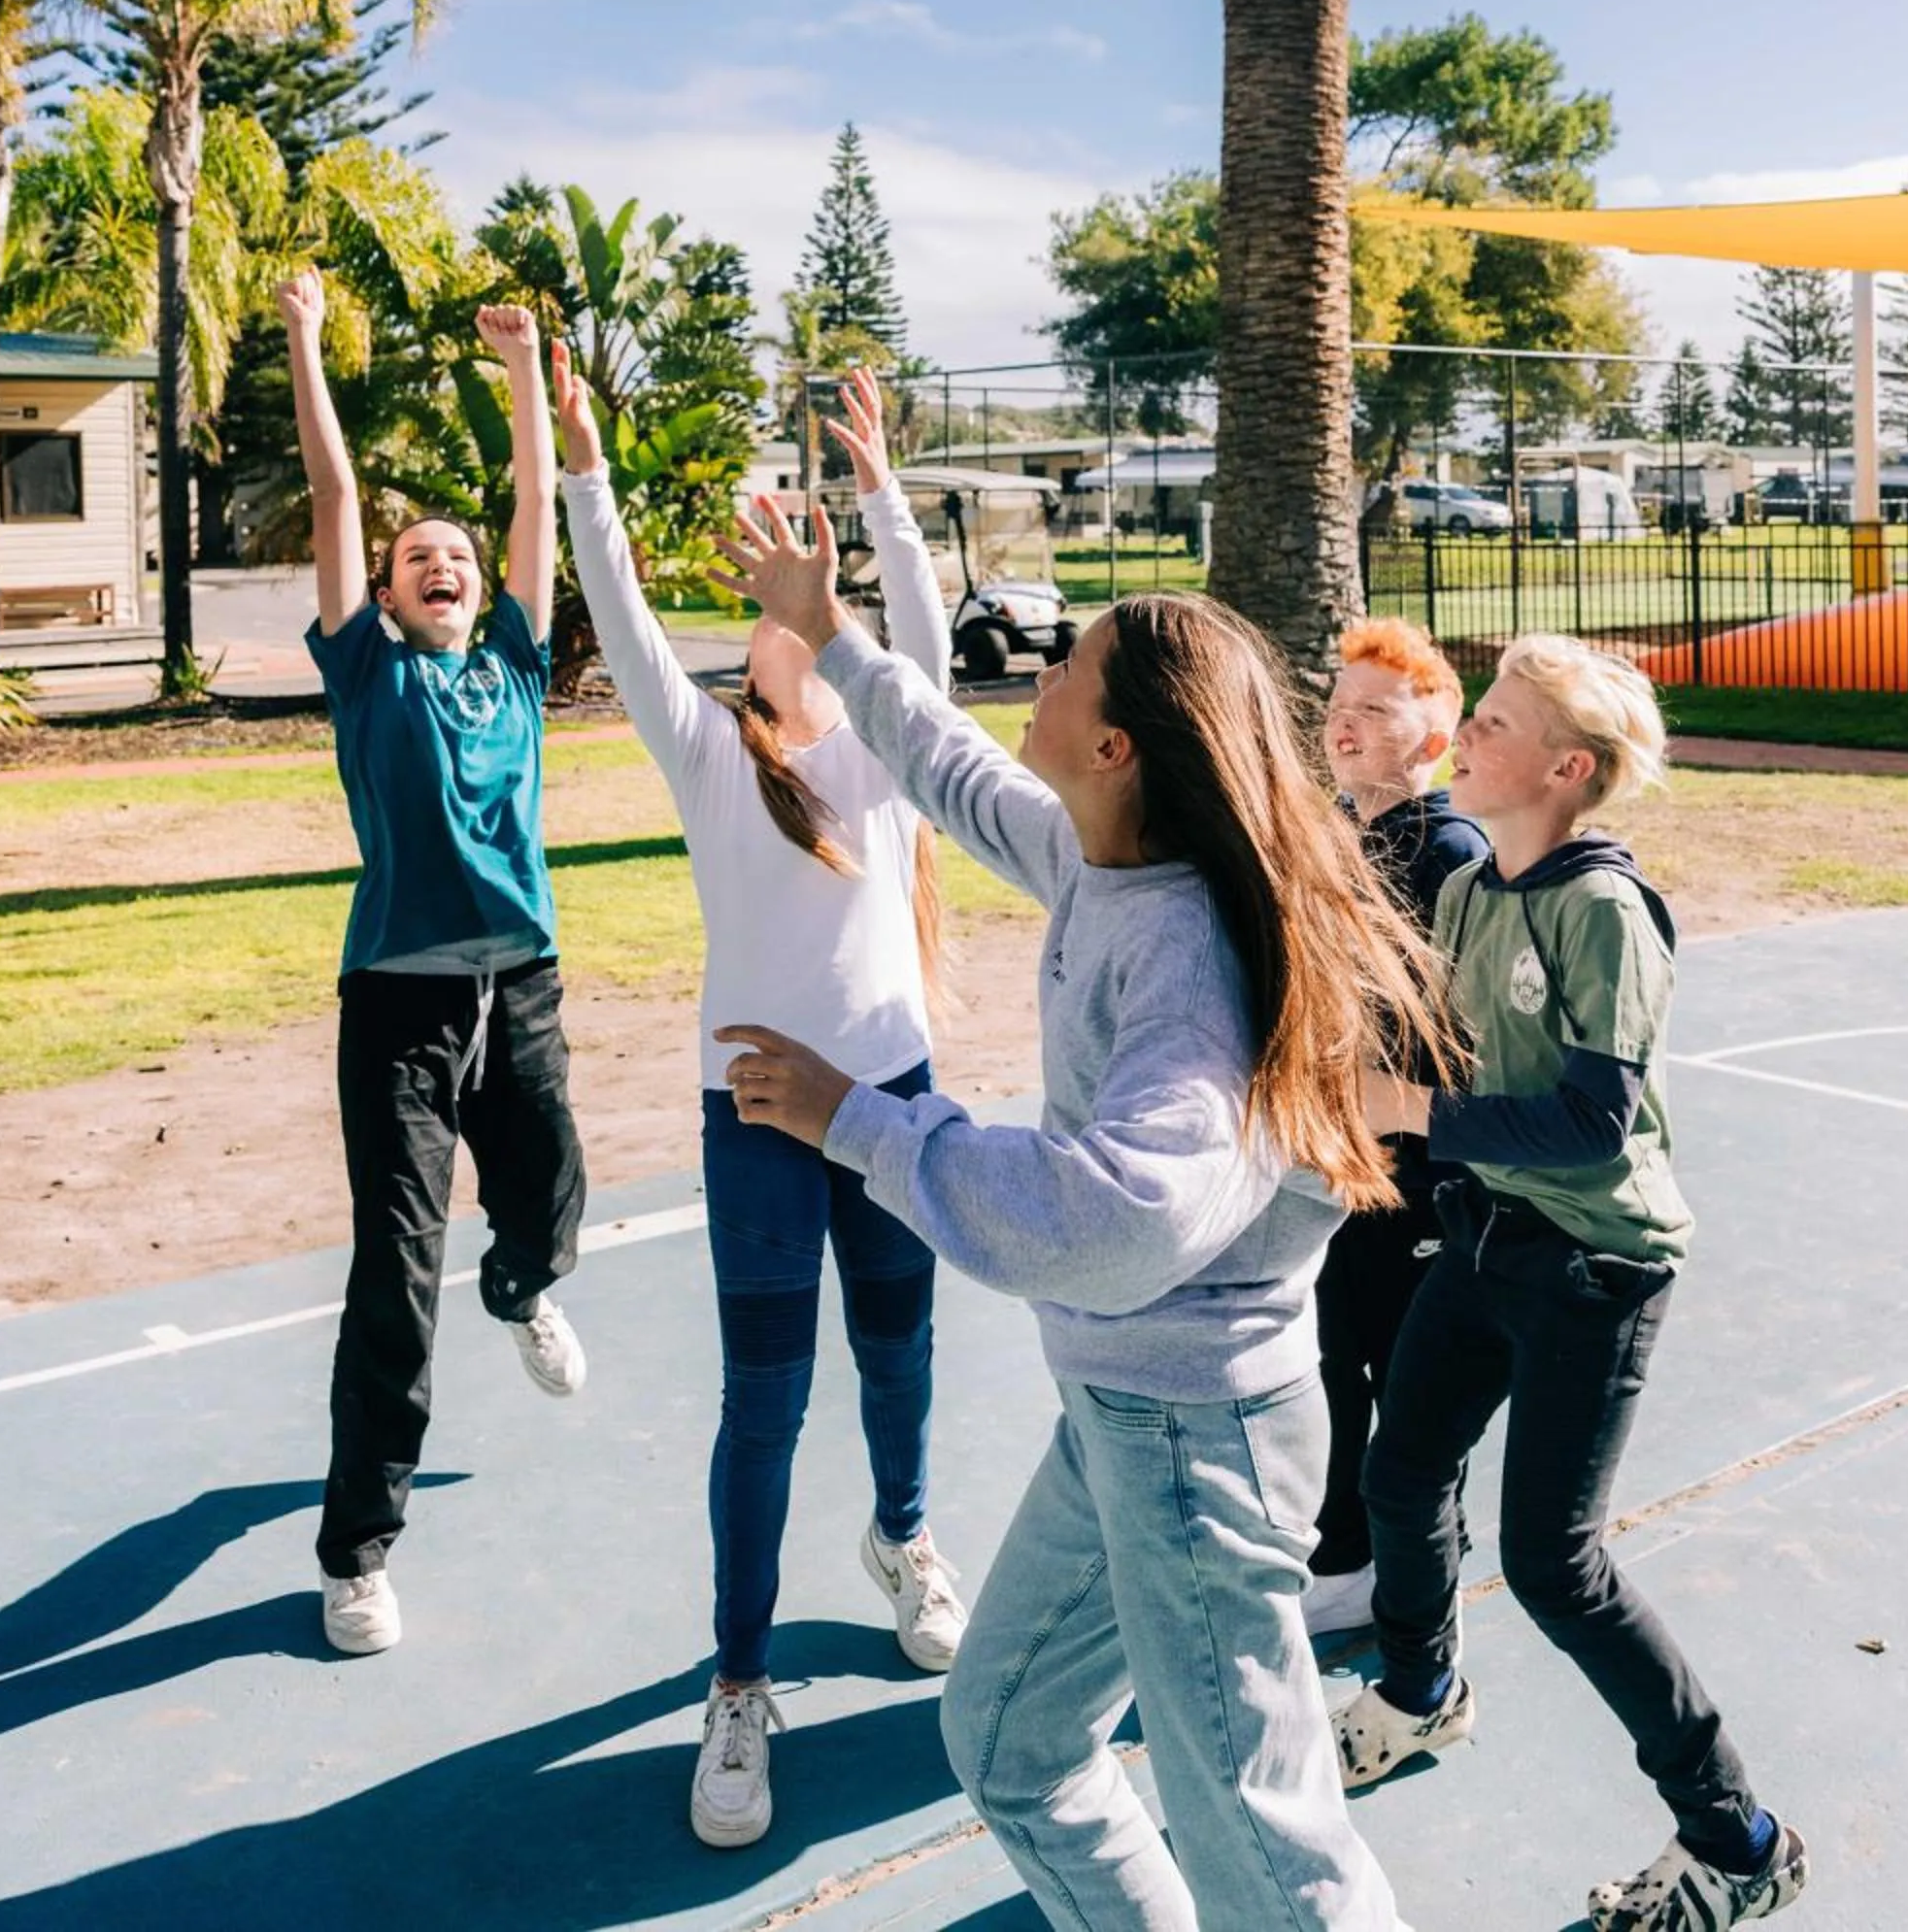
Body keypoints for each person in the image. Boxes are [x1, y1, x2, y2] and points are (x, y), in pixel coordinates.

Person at [712, 496, 1452, 1932]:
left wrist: (861, 1123)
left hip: (1195, 1438)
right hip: (1124, 1416)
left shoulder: (1182, 950)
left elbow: (1124, 1221)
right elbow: (950, 769)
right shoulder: (1105, 857)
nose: (1041, 675)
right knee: (1010, 1739)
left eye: (1069, 667)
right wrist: (831, 634)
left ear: (1116, 749)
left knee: (1266, 1852)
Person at [553, 361, 968, 1852]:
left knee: (899, 1358)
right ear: (749, 654)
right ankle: (739, 1683)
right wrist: (584, 467)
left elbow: (921, 648)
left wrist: (882, 498)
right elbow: (619, 613)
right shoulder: (711, 757)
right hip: (759, 1122)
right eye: (771, 610)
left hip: (894, 1103)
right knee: (765, 1404)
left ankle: (905, 1535)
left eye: (816, 602)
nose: (790, 615)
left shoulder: (887, 758)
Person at [1336, 633, 1808, 1932]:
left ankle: (1738, 1838)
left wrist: (1409, 1110)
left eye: (1492, 722)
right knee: (1399, 1475)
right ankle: (1421, 1693)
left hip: (1596, 1269)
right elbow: (1446, 1056)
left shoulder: (1604, 911)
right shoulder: (1469, 890)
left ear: (1566, 770)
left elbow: (1593, 1125)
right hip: (1487, 1237)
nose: (1465, 738)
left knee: (1555, 1565)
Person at [280, 272, 588, 1661]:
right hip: (398, 1003)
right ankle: (357, 1551)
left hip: (519, 985)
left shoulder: (515, 660)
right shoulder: (369, 672)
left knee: (554, 1199)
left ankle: (522, 1288)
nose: (441, 562)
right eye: (417, 557)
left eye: (454, 552)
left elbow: (533, 503)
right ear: (391, 595)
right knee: (395, 1275)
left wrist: (523, 370)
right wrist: (304, 336)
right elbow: (336, 497)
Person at [1305, 619, 1487, 1638]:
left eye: (1376, 711)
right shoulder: (1331, 829)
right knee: (1331, 1366)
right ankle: (1346, 1550)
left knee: (1401, 1387)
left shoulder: (1452, 855)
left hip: (1413, 1177)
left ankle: (1412, 1568)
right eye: (1338, 707)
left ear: (1435, 739)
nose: (1347, 725)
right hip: (1333, 1163)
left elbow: (1467, 1032)